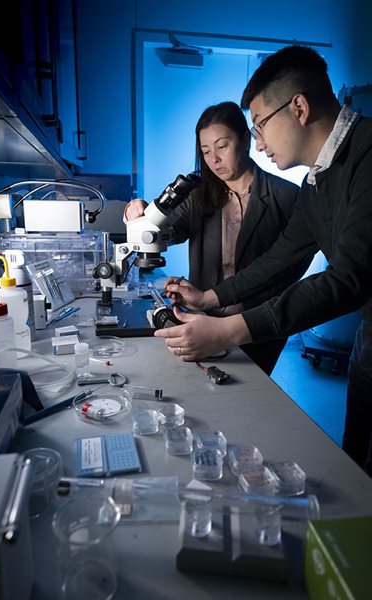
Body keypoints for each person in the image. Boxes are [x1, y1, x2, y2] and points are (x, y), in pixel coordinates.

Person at [154, 46, 372, 474]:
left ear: (299, 108)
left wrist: (228, 331)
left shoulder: (366, 157)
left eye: (259, 127)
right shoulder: (317, 184)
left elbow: (350, 278)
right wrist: (207, 298)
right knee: (358, 465)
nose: (258, 143)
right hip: (368, 342)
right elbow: (277, 260)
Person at [125, 101, 311, 374]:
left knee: (252, 393)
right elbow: (169, 231)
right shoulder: (198, 194)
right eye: (205, 151)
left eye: (222, 146)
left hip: (256, 325)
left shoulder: (287, 196)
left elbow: (292, 264)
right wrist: (140, 214)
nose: (213, 159)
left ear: (246, 140)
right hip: (202, 319)